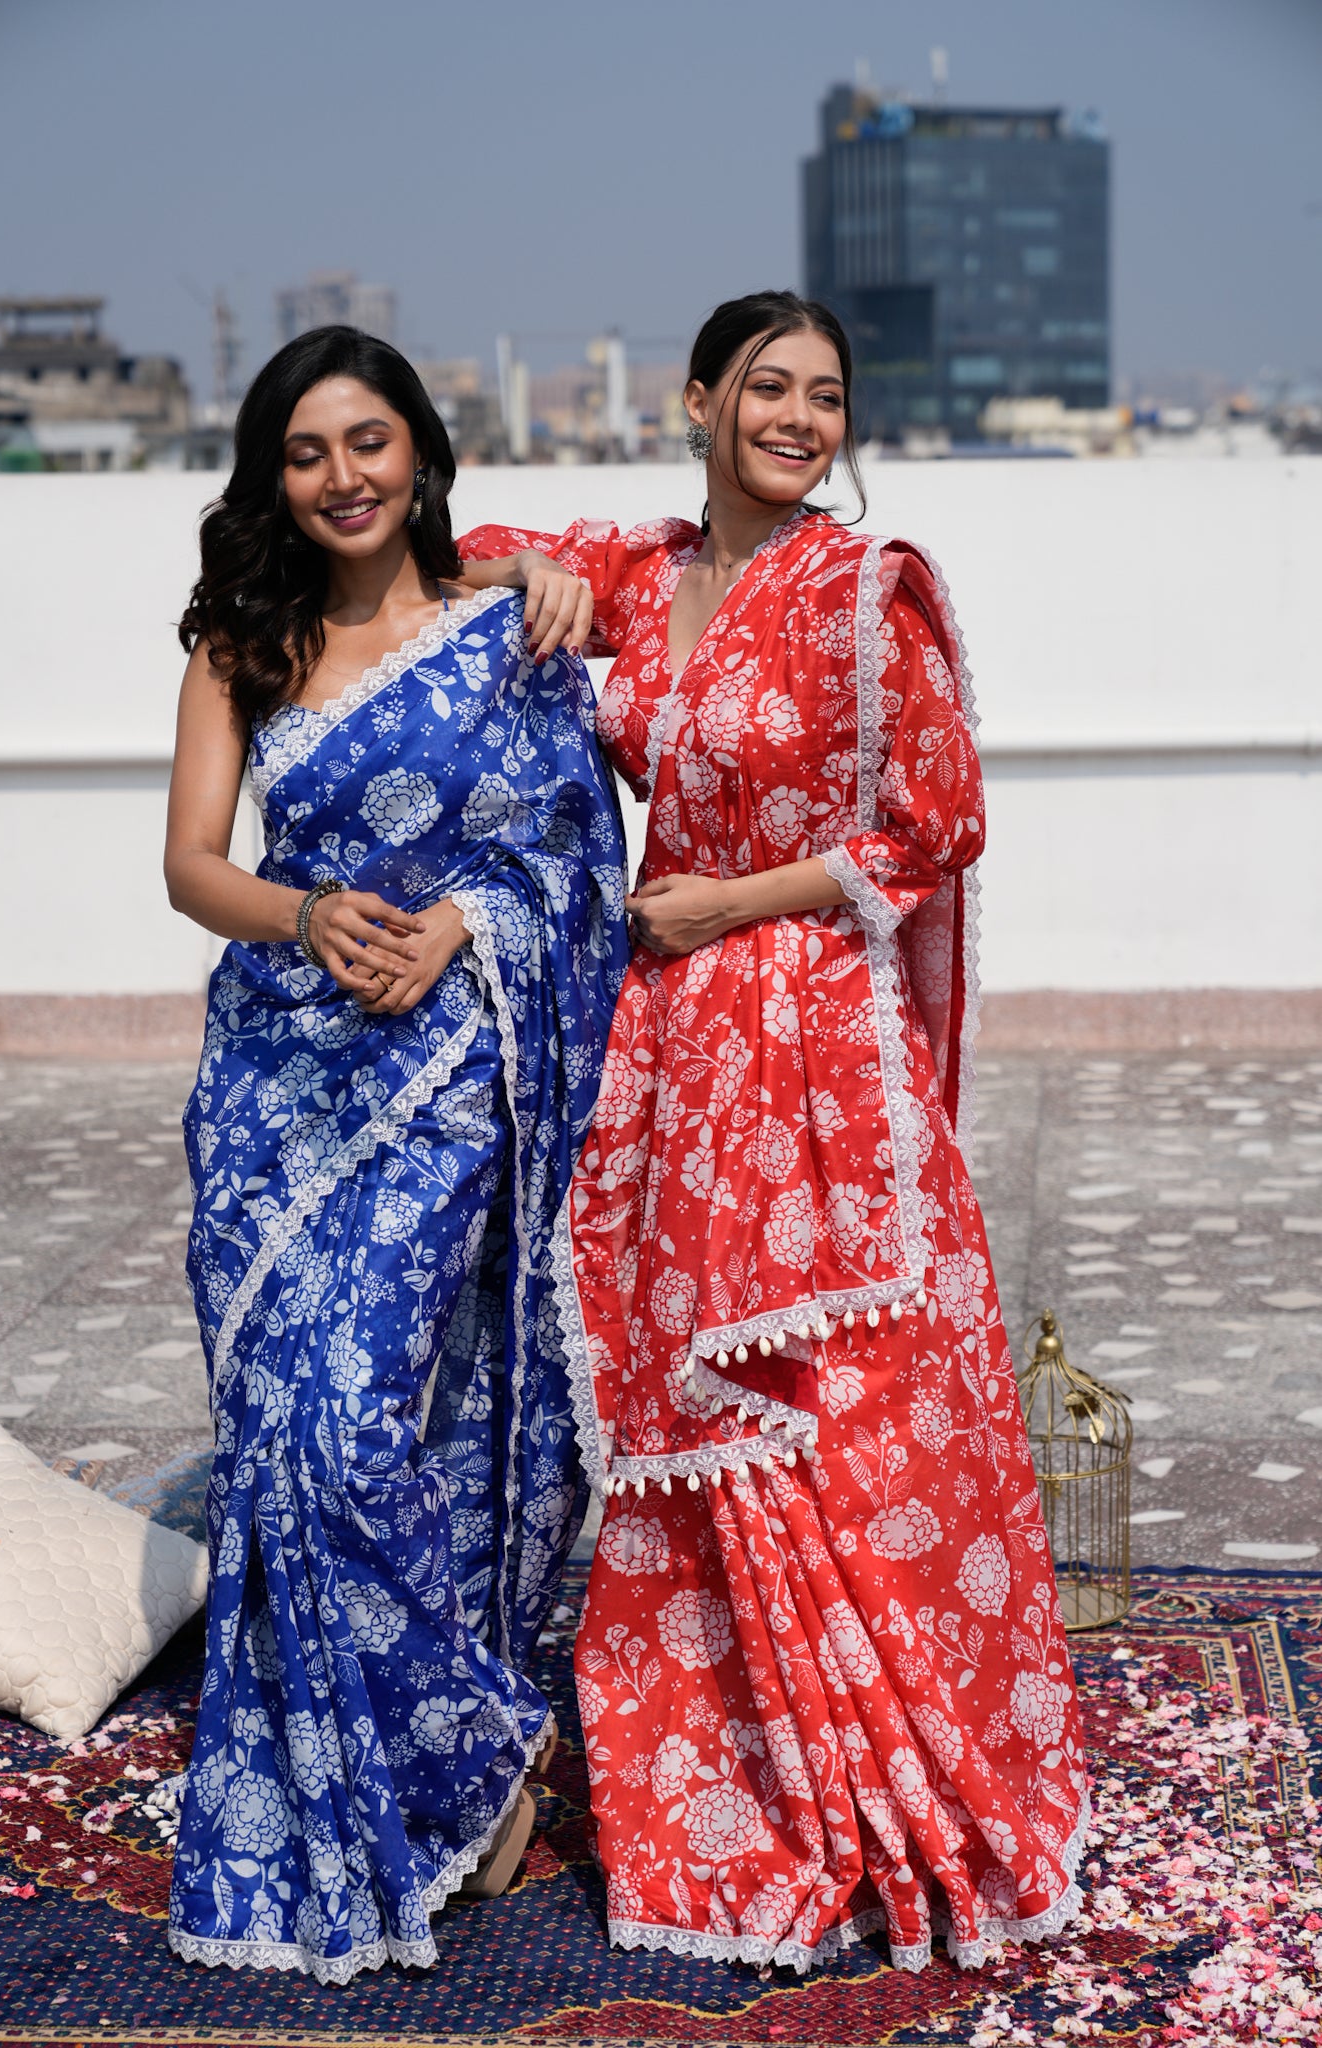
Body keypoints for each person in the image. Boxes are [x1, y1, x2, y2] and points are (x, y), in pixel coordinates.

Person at [457, 291, 1087, 1974]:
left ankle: (896, 1779)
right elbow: (469, 543)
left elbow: (937, 823)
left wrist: (728, 899)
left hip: (808, 1030)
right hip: (667, 1048)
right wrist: (539, 574)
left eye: (825, 396)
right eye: (768, 389)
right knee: (684, 1405)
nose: (800, 419)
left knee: (849, 1406)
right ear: (695, 401)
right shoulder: (647, 574)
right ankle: (734, 1786)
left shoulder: (865, 590)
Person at [162, 325, 625, 1981]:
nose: (342, 477)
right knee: (279, 1439)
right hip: (274, 1090)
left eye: (369, 443)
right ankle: (453, 1773)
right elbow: (192, 868)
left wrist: (458, 928)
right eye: (306, 452)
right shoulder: (243, 634)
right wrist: (310, 912)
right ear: (272, 479)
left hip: (447, 1086)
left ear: (420, 453)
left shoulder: (507, 631)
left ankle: (458, 1749)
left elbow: (578, 864)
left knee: (365, 1427)